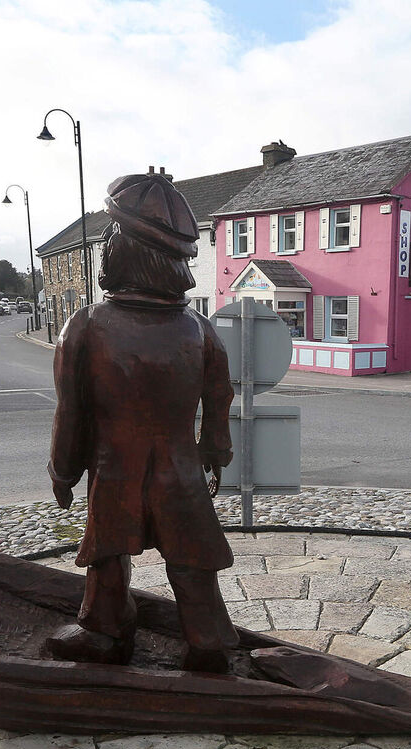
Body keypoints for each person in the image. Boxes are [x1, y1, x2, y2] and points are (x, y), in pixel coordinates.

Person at [45, 172, 238, 673]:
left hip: (115, 466)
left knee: (109, 553)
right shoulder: (197, 327)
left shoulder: (85, 325)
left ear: (121, 251)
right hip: (180, 468)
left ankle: (106, 631)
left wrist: (63, 471)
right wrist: (216, 451)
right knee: (191, 556)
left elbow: (71, 411)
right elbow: (220, 397)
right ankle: (208, 639)